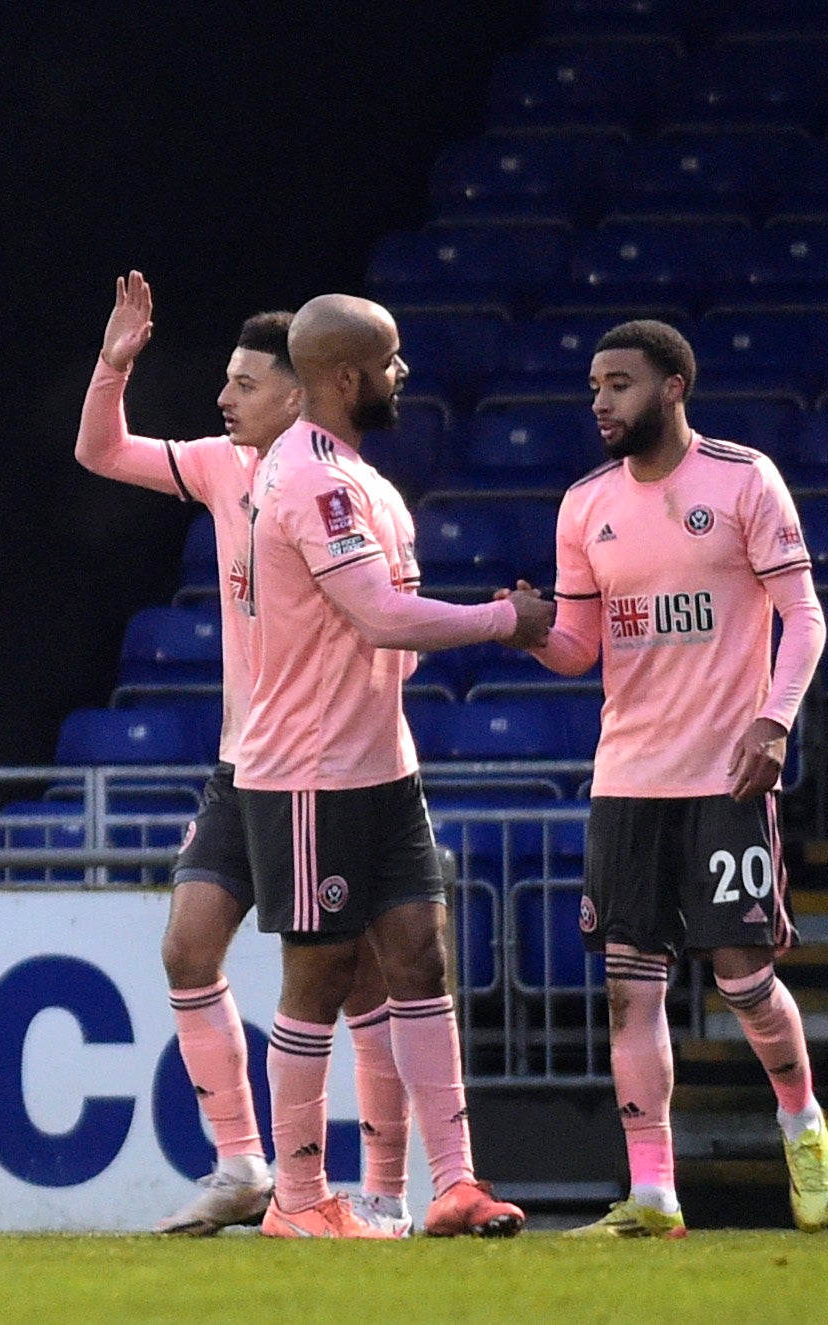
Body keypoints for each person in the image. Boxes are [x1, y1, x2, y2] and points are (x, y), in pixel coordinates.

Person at [72, 272, 412, 1237]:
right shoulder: (226, 467)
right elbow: (99, 449)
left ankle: (384, 1187)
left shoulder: (336, 489)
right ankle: (241, 1164)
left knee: (363, 979)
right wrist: (113, 366)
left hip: (326, 765)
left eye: (243, 383)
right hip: (242, 763)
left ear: (300, 393)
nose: (224, 400)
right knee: (187, 945)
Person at [511, 320, 828, 1238]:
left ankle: (800, 1117)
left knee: (742, 975)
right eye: (593, 387)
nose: (601, 402)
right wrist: (527, 627)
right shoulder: (585, 505)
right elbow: (581, 646)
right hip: (627, 778)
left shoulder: (742, 479)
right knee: (630, 985)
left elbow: (803, 619)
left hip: (724, 774)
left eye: (619, 384)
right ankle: (653, 1191)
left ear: (674, 386)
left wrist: (773, 719)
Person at [238, 293, 551, 1239]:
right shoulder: (310, 479)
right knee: (322, 973)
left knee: (421, 956)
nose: (402, 373)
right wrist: (504, 620)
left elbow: (393, 642)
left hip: (381, 763)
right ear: (346, 377)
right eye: (390, 359)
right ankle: (296, 1200)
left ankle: (455, 1182)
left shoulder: (364, 480)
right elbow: (379, 617)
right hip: (307, 768)